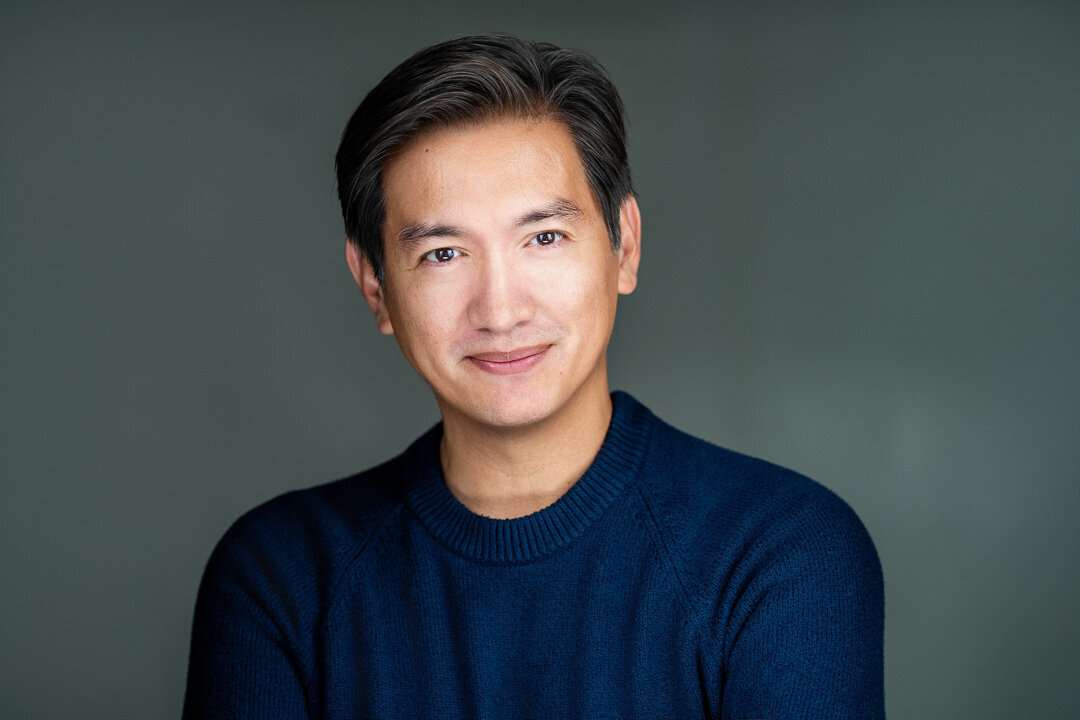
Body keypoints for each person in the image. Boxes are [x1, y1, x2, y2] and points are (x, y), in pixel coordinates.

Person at [183, 34, 884, 719]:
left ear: (624, 246)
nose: (500, 309)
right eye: (444, 254)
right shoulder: (283, 578)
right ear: (374, 286)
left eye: (543, 238)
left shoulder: (781, 553)